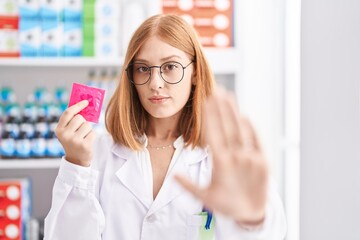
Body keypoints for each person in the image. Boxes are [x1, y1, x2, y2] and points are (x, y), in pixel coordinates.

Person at [44, 14, 286, 240]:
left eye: (170, 67)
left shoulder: (220, 156)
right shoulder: (99, 152)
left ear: (195, 72)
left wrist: (252, 216)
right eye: (143, 69)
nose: (155, 83)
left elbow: (269, 232)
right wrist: (76, 165)